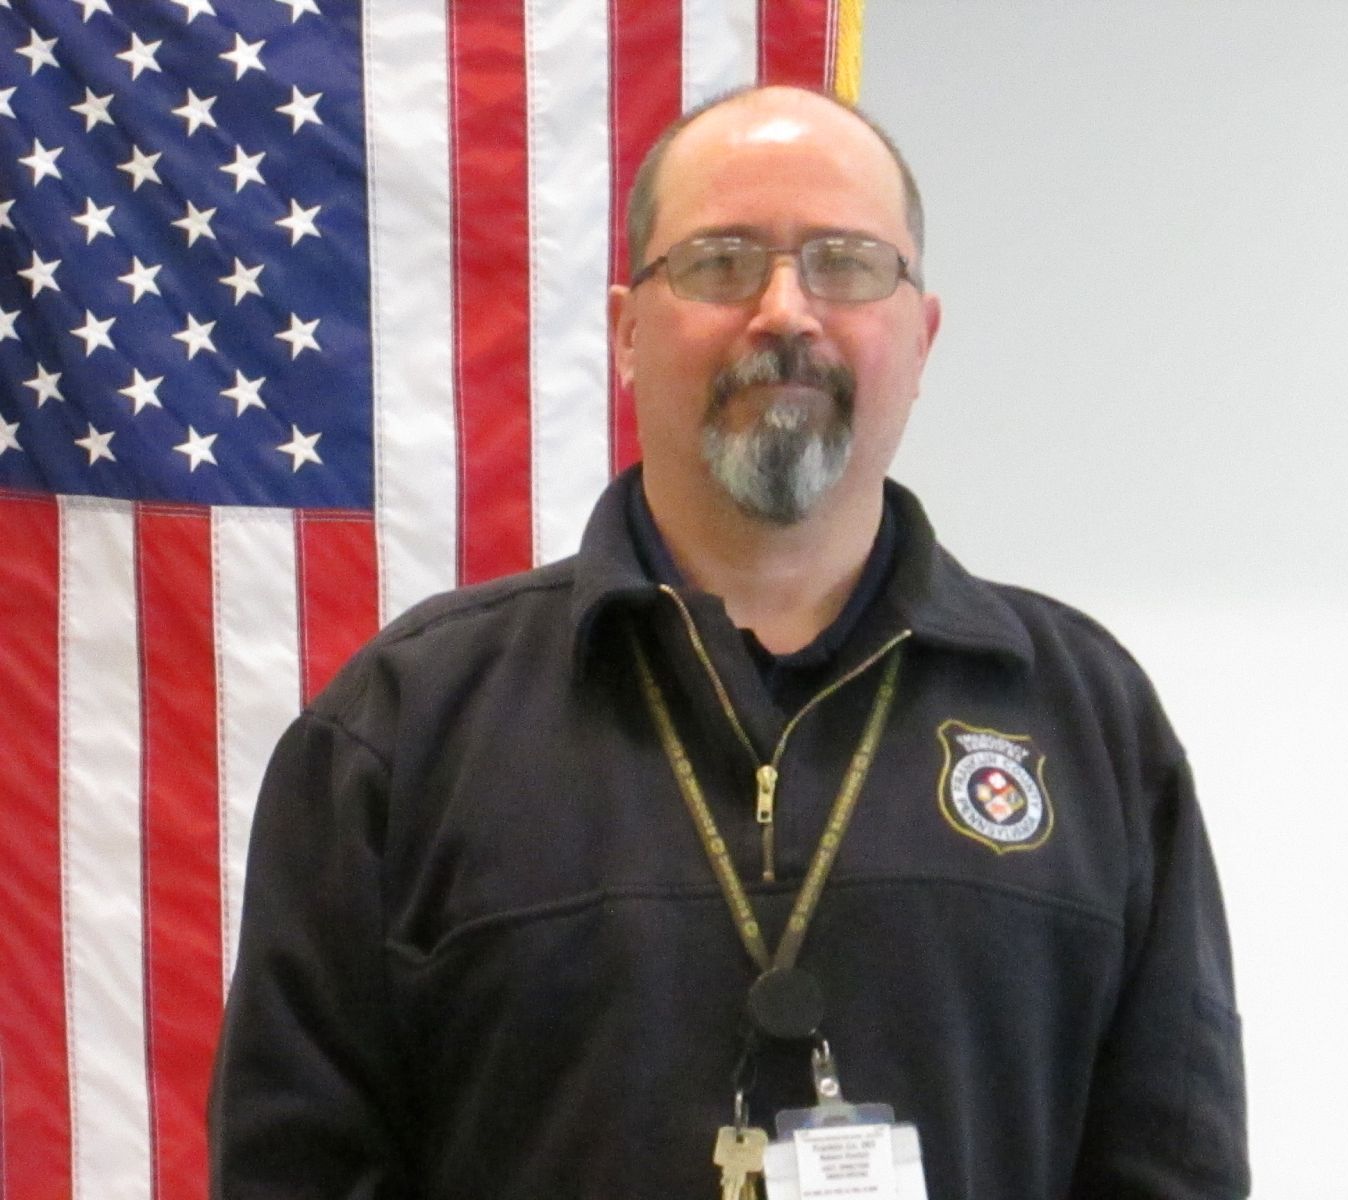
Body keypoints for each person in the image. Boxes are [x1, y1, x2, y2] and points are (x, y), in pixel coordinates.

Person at [210, 85, 1249, 1199]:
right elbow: (294, 1172)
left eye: (846, 263)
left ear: (922, 332)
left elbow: (1169, 1168)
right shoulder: (407, 727)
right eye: (720, 263)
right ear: (625, 329)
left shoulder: (1085, 720)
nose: (785, 312)